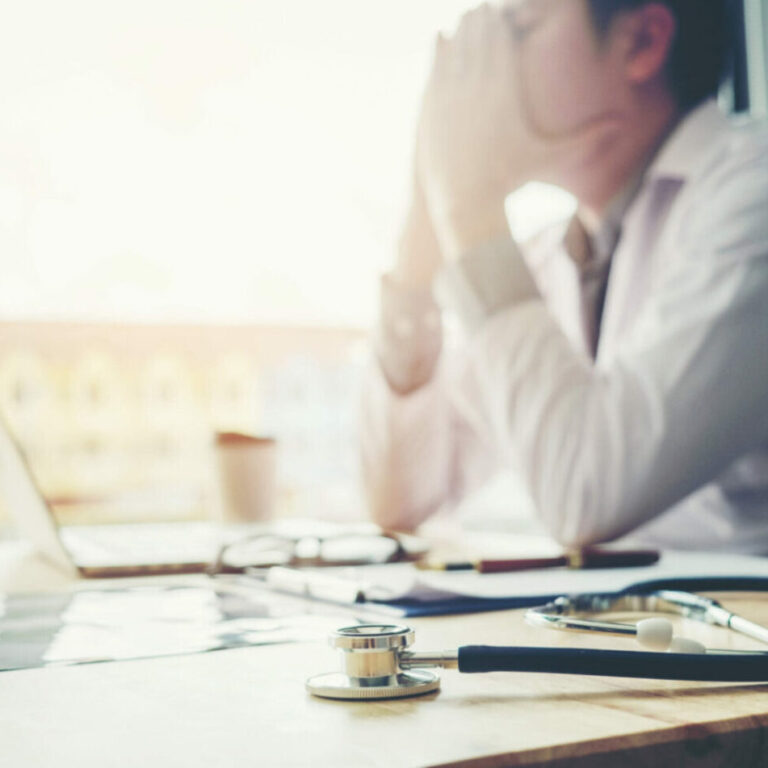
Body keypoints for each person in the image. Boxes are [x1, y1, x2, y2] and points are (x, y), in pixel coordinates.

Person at [360, 0, 768, 553]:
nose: (483, 69)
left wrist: (466, 203)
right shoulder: (546, 256)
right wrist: (422, 229)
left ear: (642, 43)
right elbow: (401, 502)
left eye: (518, 28)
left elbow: (584, 493)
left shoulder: (752, 195)